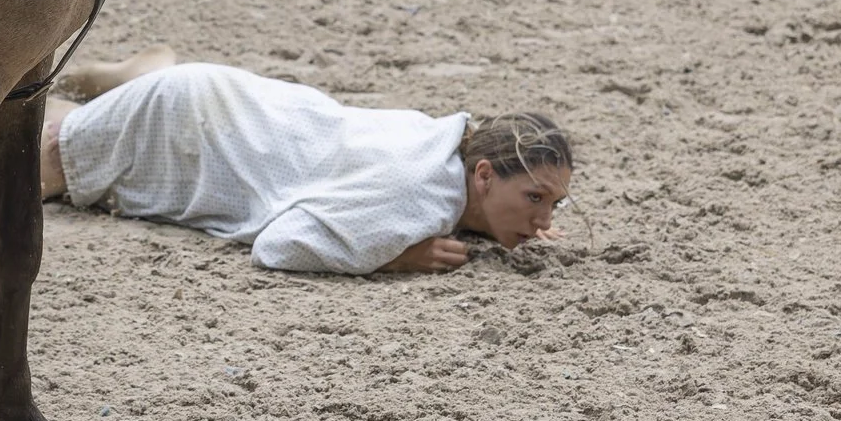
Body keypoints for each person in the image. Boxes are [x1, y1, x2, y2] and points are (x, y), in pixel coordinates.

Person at [40, 48, 574, 275]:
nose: (544, 219)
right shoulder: (415, 198)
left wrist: (519, 217)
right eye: (535, 198)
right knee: (31, 162)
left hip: (227, 103)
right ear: (484, 175)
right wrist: (393, 257)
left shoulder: (450, 139)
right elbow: (278, 246)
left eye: (553, 204)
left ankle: (146, 73)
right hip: (184, 133)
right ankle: (128, 86)